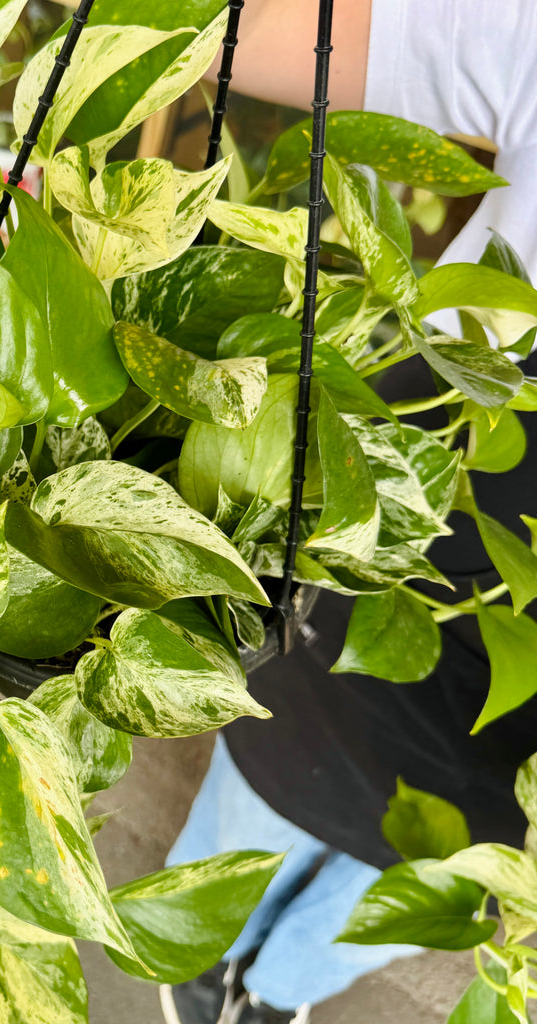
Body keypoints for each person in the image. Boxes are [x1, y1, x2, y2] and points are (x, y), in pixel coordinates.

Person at [165, 1, 537, 1021]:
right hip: (390, 536)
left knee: (415, 864)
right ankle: (203, 965)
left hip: (514, 706)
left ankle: (270, 990)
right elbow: (221, 29)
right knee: (272, 785)